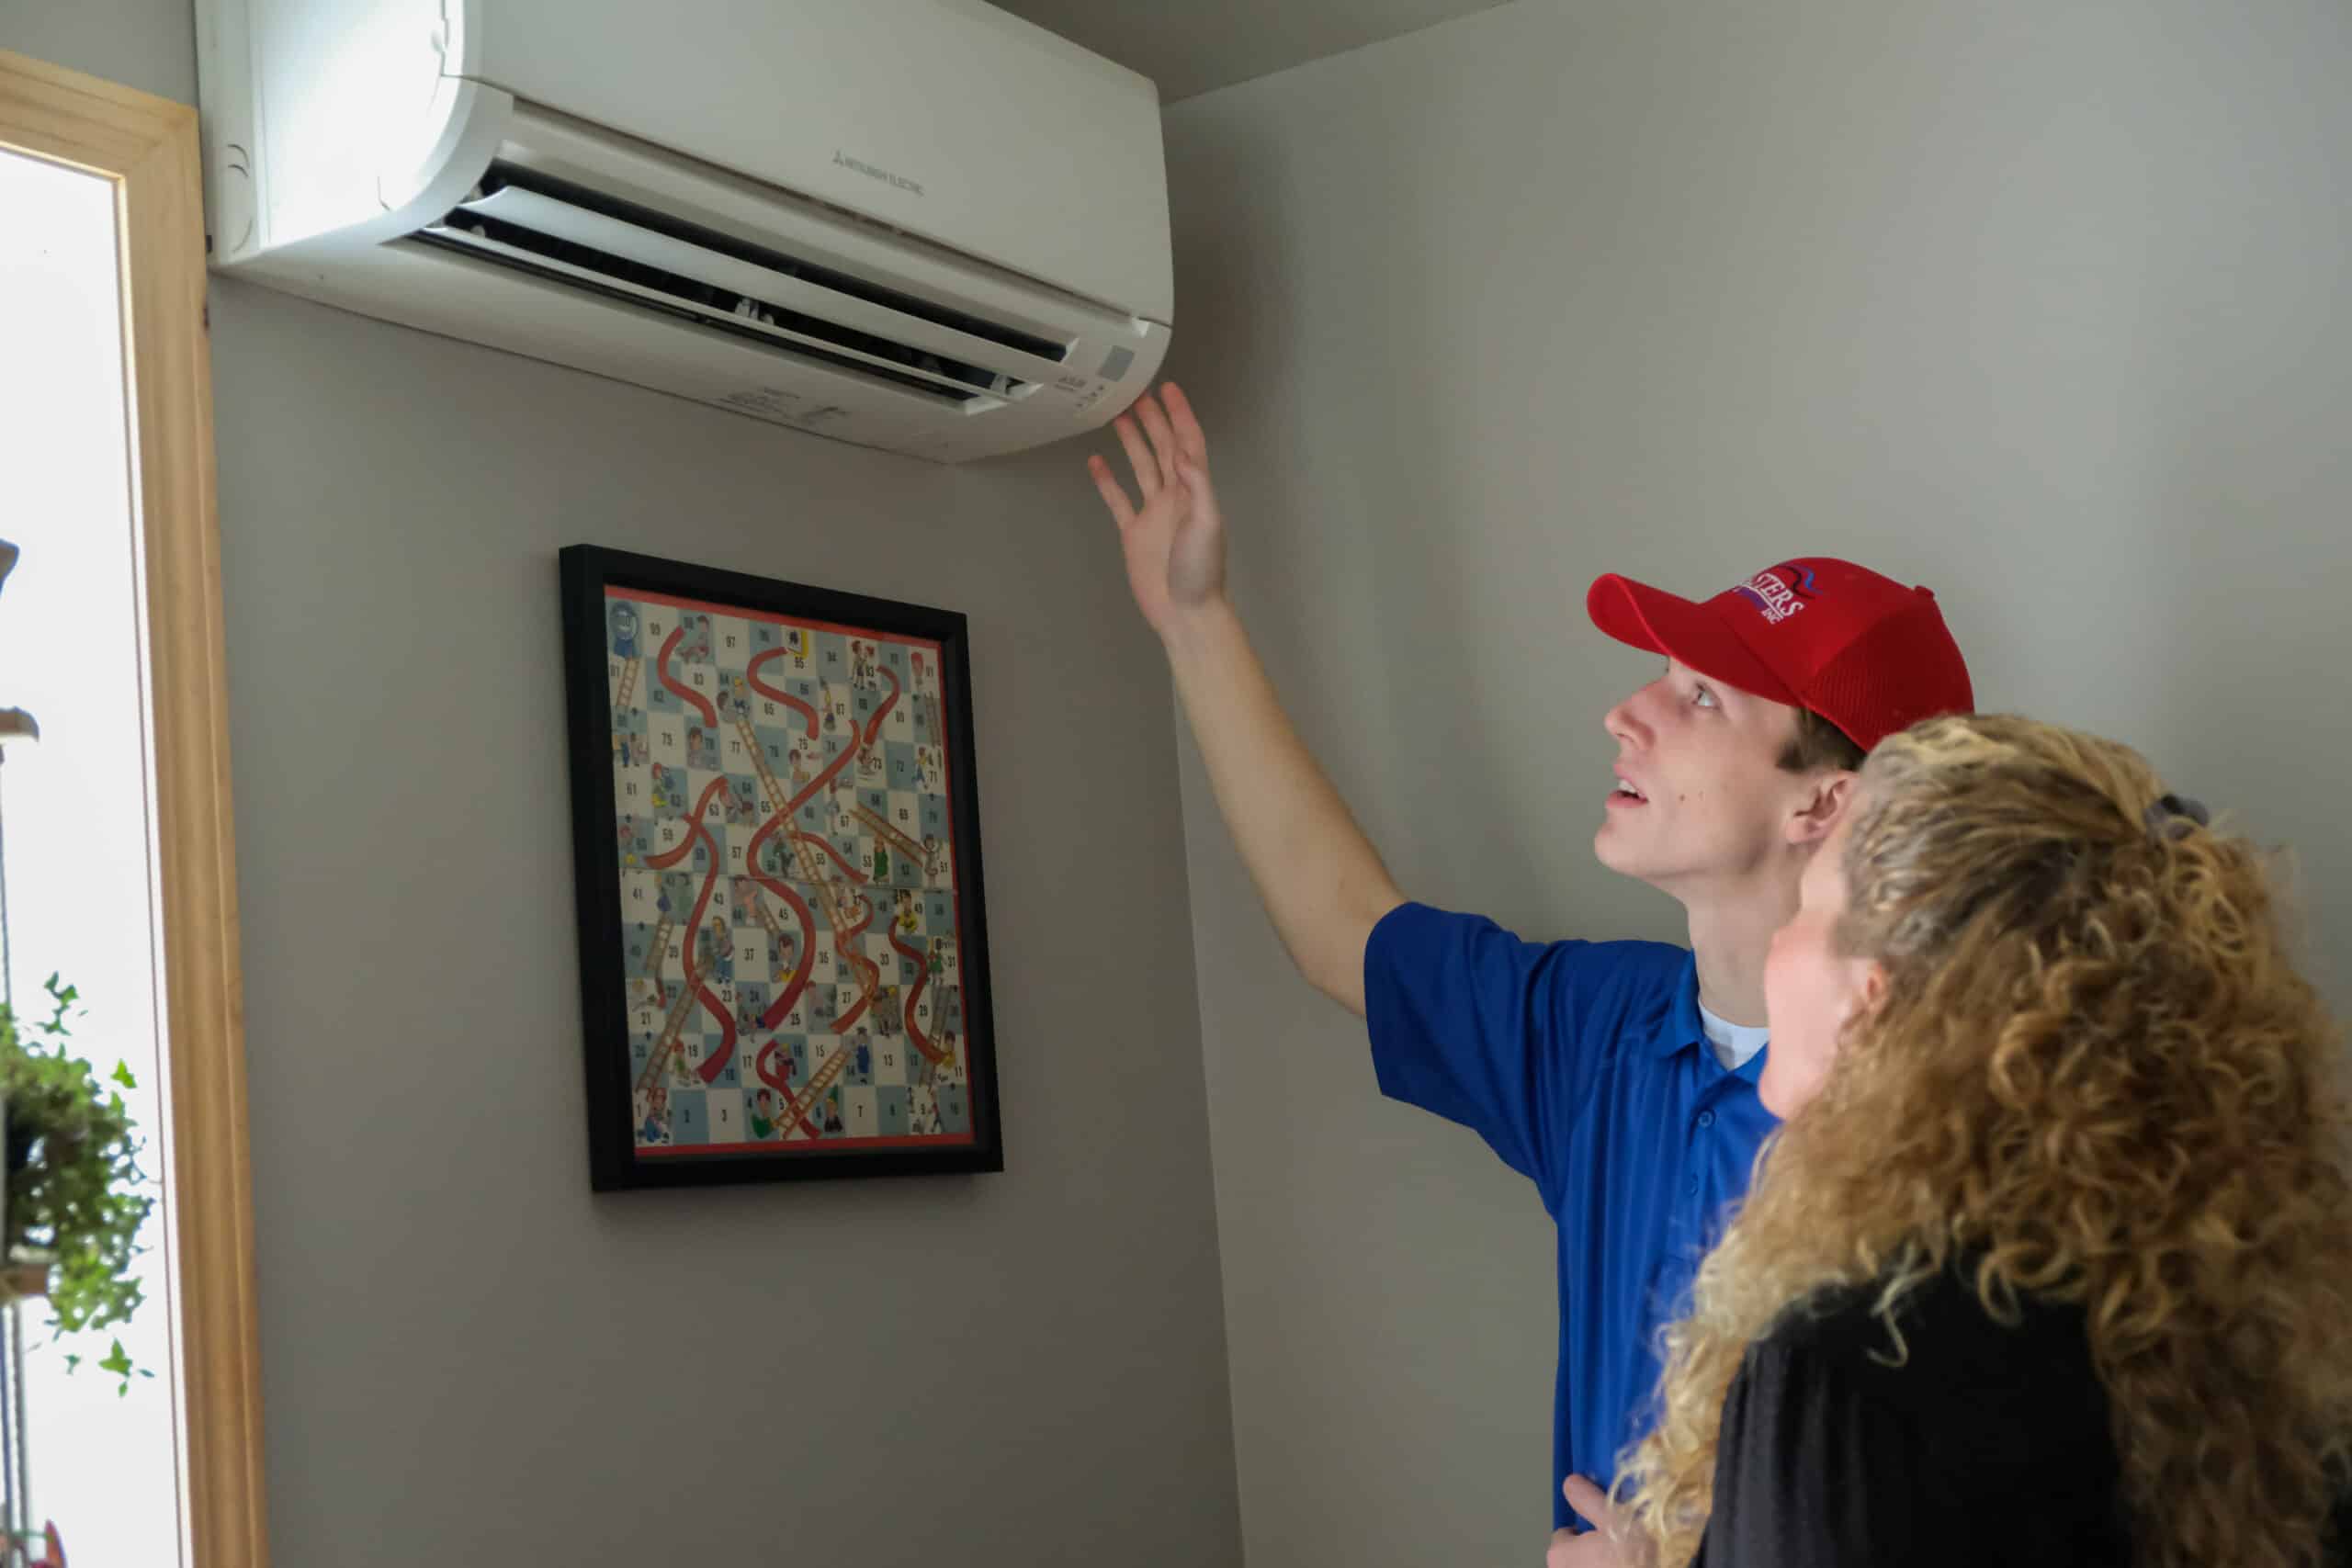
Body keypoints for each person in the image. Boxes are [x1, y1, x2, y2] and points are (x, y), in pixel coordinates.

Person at [1082, 385, 1976, 1546]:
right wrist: (1194, 620)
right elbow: (1343, 932)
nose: (1625, 713)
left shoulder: (1957, 1125)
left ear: (1824, 804)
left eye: (1700, 697)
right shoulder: (1605, 1027)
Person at [1608, 714, 2352, 1568]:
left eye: (1807, 904)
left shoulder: (1850, 1371)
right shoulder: (2251, 1321)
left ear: (1873, 1000)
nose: (1779, 938)